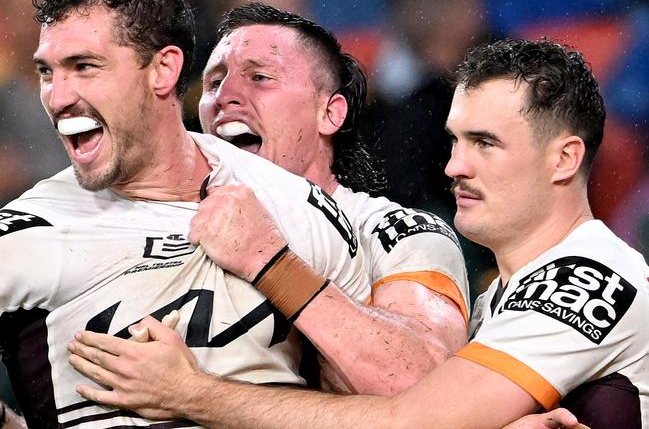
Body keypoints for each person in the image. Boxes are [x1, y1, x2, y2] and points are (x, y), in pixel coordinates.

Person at [70, 38, 648, 428]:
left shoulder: (589, 277)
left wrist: (191, 394)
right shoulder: (500, 292)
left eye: (485, 143)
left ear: (564, 159)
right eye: (454, 141)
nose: (454, 167)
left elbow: (407, 422)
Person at [0, 0, 373, 429]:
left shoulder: (292, 204)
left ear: (163, 69)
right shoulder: (26, 234)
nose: (57, 97)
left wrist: (273, 269)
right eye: (46, 72)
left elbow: (403, 406)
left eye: (84, 67)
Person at [66, 0, 470, 408]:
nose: (225, 97)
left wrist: (270, 262)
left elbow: (427, 392)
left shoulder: (396, 233)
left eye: (259, 77)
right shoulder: (157, 234)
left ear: (329, 113)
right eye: (212, 84)